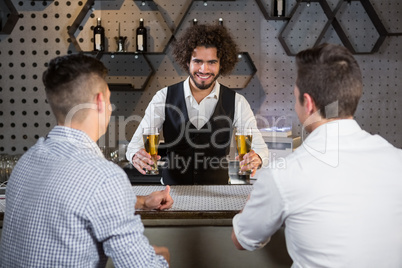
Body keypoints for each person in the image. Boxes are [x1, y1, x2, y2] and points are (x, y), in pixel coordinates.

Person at [231, 43, 402, 267]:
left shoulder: (283, 176)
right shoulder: (397, 160)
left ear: (308, 103)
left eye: (295, 97)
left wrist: (254, 201)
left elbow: (242, 240)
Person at [0, 54, 173, 267]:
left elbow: (74, 197)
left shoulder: (27, 162)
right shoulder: (104, 177)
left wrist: (141, 201)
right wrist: (162, 257)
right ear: (101, 101)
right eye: (110, 100)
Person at [126, 24, 268, 185]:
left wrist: (257, 157)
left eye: (212, 62)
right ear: (187, 62)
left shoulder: (237, 101)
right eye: (198, 61)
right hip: (171, 196)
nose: (204, 69)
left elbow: (261, 148)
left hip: (219, 196)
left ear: (222, 64)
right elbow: (134, 146)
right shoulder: (163, 97)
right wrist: (136, 155)